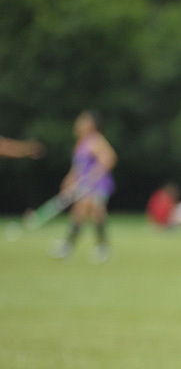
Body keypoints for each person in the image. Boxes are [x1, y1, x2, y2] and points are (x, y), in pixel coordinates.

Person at [52, 110, 117, 263]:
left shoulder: (95, 140)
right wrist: (69, 180)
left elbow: (109, 157)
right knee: (80, 214)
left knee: (94, 212)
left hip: (97, 185)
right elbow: (78, 168)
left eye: (83, 120)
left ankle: (99, 248)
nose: (79, 123)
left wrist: (95, 175)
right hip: (85, 185)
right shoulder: (81, 142)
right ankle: (72, 247)